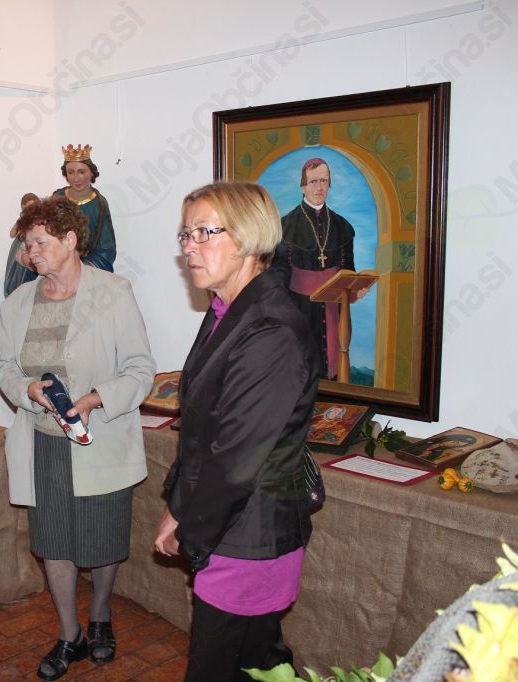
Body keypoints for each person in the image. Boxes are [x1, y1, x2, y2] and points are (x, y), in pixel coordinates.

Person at [153, 182, 320, 682]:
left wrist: (192, 530)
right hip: (231, 523)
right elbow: (203, 429)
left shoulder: (270, 329)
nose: (189, 247)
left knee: (226, 668)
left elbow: (235, 457)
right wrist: (177, 506)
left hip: (250, 531)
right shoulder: (228, 310)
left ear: (247, 237)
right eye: (185, 234)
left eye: (204, 232)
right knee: (259, 662)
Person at [0, 196, 155, 680]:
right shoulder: (17, 303)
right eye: (28, 244)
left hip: (100, 438)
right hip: (43, 443)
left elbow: (140, 369)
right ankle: (70, 633)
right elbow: (3, 367)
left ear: (69, 240)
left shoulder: (114, 292)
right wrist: (27, 390)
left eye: (40, 242)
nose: (32, 253)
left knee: (103, 538)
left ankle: (100, 614)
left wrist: (97, 398)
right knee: (54, 541)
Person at [270, 158, 367, 380]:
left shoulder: (342, 226)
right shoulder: (285, 226)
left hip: (334, 306)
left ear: (329, 184)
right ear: (303, 186)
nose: (319, 187)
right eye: (313, 181)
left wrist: (355, 290)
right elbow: (279, 272)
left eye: (324, 181)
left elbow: (348, 269)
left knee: (332, 364)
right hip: (299, 306)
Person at [53, 144, 116, 271]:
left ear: (91, 173)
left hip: (87, 266)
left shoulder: (99, 204)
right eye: (71, 172)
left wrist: (83, 268)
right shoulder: (58, 198)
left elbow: (106, 248)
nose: (76, 178)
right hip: (59, 262)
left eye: (81, 172)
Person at [3, 191, 40, 296]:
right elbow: (12, 233)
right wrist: (19, 222)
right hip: (24, 253)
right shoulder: (23, 221)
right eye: (26, 209)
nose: (30, 212)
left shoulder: (43, 220)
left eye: (32, 208)